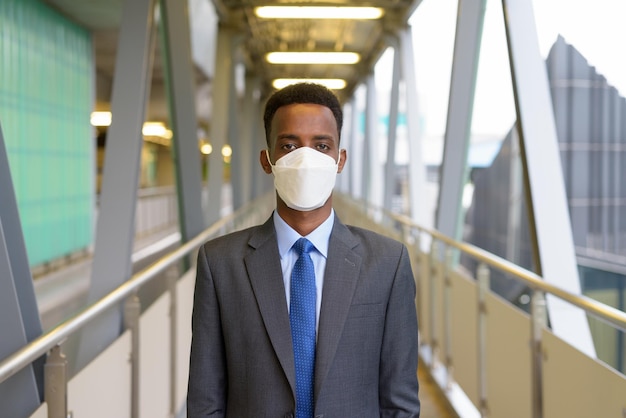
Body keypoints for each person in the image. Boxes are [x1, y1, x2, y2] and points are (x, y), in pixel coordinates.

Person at [187, 82, 420, 417]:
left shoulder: (387, 262)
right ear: (267, 160)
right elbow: (205, 399)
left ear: (340, 160)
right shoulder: (220, 264)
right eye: (289, 145)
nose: (306, 159)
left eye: (321, 145)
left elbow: (400, 401)